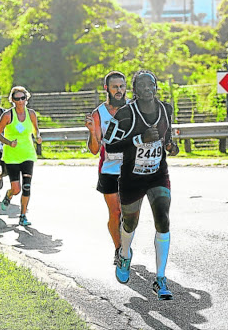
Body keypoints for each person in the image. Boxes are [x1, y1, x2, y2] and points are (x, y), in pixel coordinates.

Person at [103, 70, 179, 300]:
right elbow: (110, 145)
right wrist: (138, 140)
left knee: (163, 219)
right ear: (134, 90)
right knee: (130, 223)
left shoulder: (166, 109)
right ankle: (124, 254)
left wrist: (170, 146)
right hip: (132, 177)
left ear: (156, 87)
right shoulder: (126, 114)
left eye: (151, 84)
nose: (148, 89)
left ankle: (161, 278)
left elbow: (166, 137)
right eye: (142, 85)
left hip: (157, 173)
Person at [85, 71, 127, 265]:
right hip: (109, 170)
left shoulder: (133, 109)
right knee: (115, 212)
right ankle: (119, 250)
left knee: (129, 214)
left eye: (122, 87)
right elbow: (94, 149)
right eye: (115, 87)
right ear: (107, 89)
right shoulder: (98, 113)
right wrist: (92, 132)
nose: (119, 91)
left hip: (132, 169)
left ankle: (125, 244)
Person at [0, 86, 42, 226]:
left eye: (23, 98)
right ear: (12, 100)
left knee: (27, 187)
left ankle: (23, 215)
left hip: (27, 154)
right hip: (12, 156)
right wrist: (8, 142)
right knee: (16, 188)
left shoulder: (31, 114)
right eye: (17, 99)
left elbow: (36, 130)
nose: (20, 101)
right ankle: (8, 195)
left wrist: (38, 137)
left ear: (26, 99)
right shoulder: (8, 115)